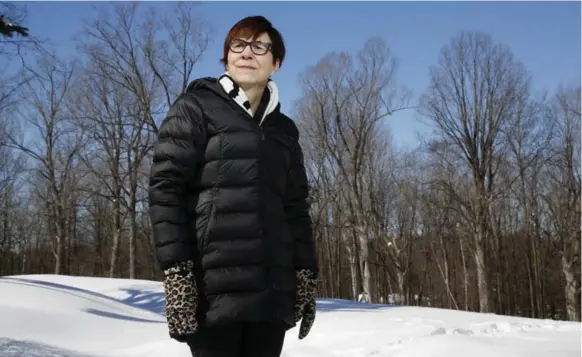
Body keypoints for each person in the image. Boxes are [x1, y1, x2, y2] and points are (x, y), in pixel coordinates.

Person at [148, 15, 319, 357]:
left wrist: (304, 274)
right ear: (226, 59)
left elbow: (296, 208)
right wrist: (178, 273)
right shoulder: (194, 108)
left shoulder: (284, 130)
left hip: (270, 294)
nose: (246, 53)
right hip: (213, 292)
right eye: (237, 46)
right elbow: (165, 190)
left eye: (259, 46)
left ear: (276, 63)